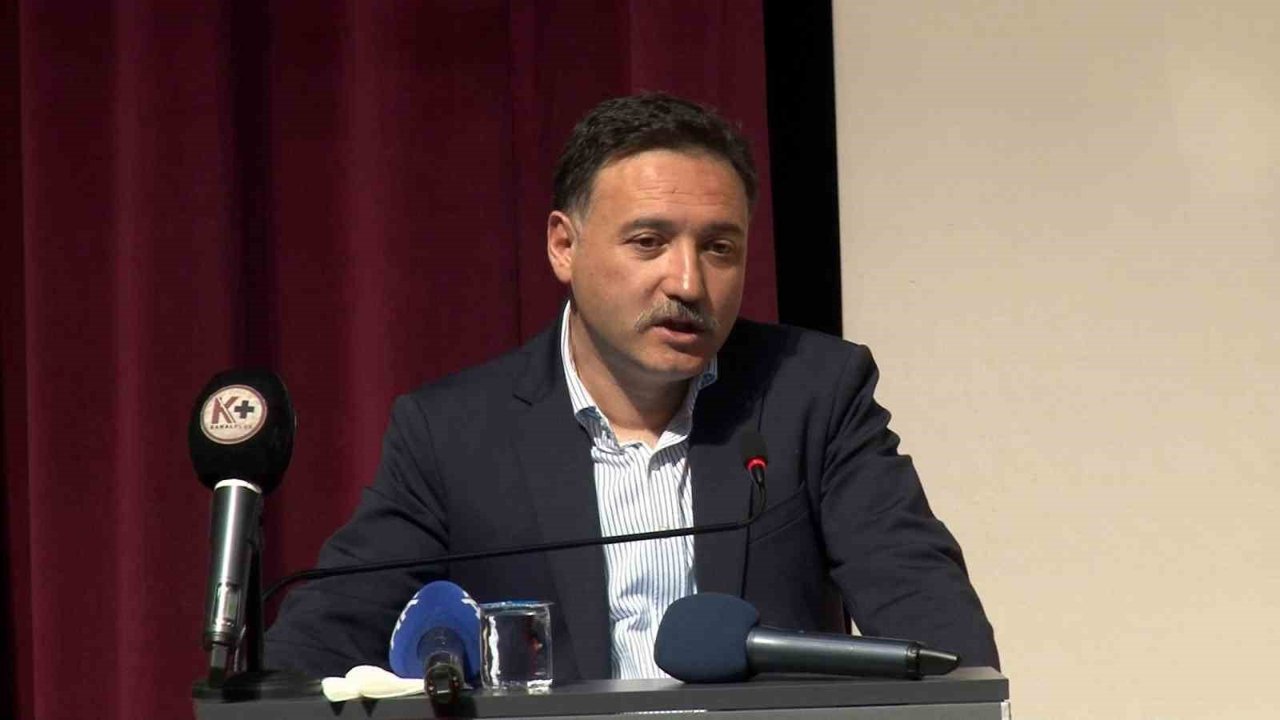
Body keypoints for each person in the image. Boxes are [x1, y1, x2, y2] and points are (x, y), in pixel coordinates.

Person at [265, 93, 999, 682]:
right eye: (648, 242)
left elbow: (929, 615)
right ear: (564, 245)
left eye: (719, 248)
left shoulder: (814, 395)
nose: (687, 283)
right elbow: (324, 636)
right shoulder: (453, 435)